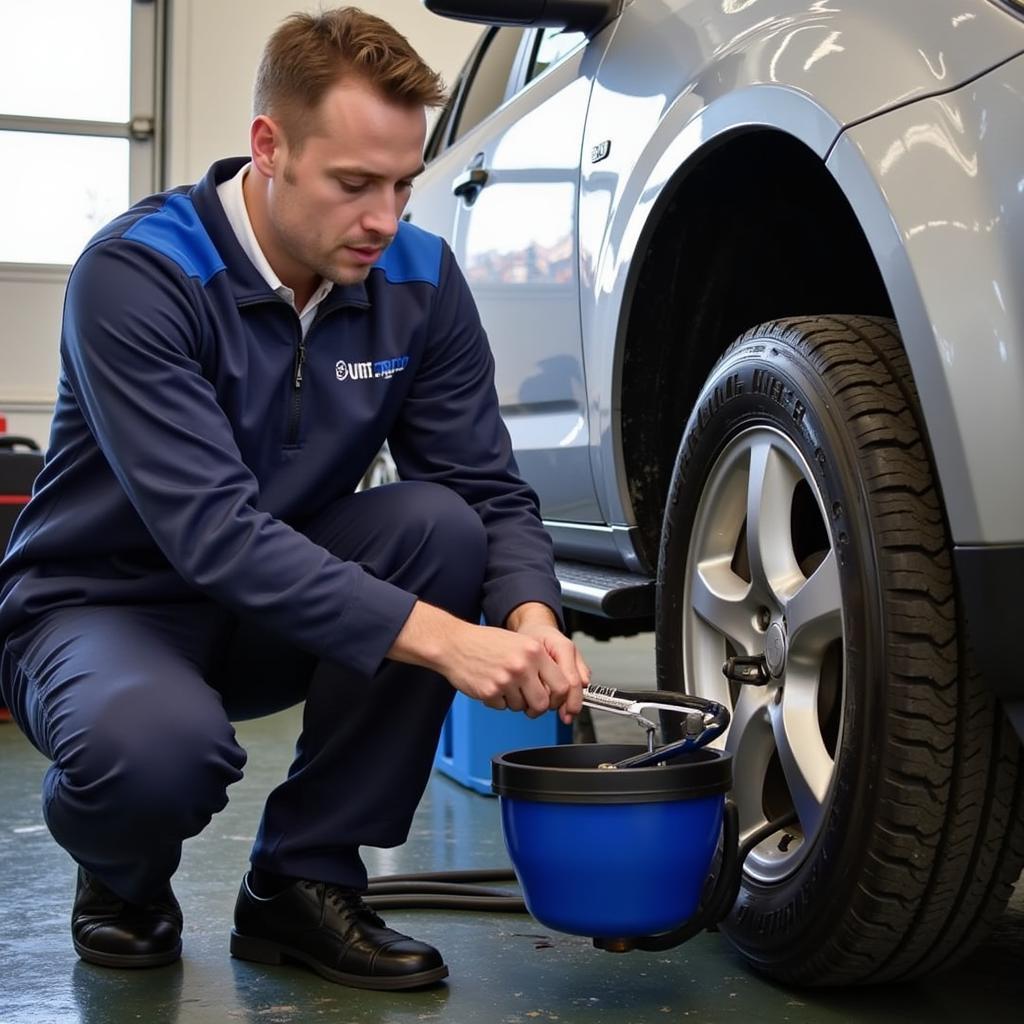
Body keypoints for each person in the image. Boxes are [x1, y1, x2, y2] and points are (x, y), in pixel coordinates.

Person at [0, 7, 590, 991]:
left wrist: (528, 611)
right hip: (104, 608)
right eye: (354, 184)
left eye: (402, 183)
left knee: (437, 527)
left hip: (276, 608)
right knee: (151, 757)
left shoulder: (416, 276)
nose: (386, 219)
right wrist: (449, 639)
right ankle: (122, 873)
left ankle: (303, 882)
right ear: (268, 147)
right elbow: (214, 534)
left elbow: (482, 488)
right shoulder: (141, 275)